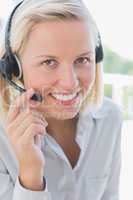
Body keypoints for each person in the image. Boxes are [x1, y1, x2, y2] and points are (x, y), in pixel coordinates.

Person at [0, 0, 122, 200]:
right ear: (14, 68)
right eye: (49, 62)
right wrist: (31, 175)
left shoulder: (110, 118)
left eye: (82, 60)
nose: (70, 83)